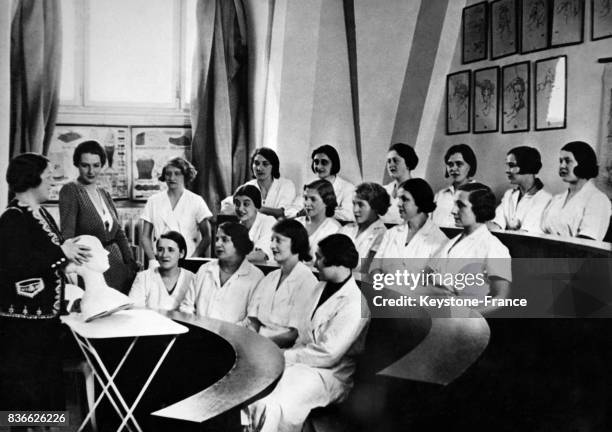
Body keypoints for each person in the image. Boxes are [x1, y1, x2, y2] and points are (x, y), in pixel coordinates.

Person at [247, 234, 370, 432]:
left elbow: (328, 355)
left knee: (275, 404)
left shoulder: (355, 303)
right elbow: (303, 334)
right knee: (255, 392)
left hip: (329, 374)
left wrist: (284, 356)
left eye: (320, 258)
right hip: (300, 363)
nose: (315, 263)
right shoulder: (319, 287)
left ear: (338, 263)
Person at [0, 153, 91, 410]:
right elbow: (16, 266)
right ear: (32, 179)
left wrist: (69, 263)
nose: (52, 180)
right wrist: (61, 253)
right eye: (48, 175)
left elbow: (46, 258)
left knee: (48, 392)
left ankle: (45, 427)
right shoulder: (12, 218)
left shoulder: (43, 215)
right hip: (23, 325)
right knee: (24, 396)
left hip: (47, 321)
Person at [60, 140, 137, 293]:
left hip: (118, 263)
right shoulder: (70, 191)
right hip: (93, 268)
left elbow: (118, 232)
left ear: (102, 165)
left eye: (96, 165)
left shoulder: (104, 193)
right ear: (77, 164)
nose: (91, 171)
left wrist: (130, 262)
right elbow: (67, 236)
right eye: (85, 165)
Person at [427, 183, 511, 315]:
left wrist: (470, 315)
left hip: (464, 322)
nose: (453, 211)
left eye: (460, 205)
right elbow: (429, 277)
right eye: (454, 204)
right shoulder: (450, 243)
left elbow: (500, 298)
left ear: (480, 209)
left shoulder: (493, 248)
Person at [245, 219, 319, 348]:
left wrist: (260, 345)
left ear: (295, 243)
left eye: (278, 240)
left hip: (284, 350)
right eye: (272, 240)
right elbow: (253, 320)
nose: (272, 246)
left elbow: (294, 334)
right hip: (257, 344)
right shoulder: (270, 278)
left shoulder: (307, 281)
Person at [179, 222, 263, 323]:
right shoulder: (204, 269)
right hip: (199, 334)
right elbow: (187, 306)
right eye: (217, 239)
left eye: (224, 240)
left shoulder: (256, 277)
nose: (217, 244)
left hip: (235, 337)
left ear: (239, 243)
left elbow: (251, 321)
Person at [141, 157, 212, 265]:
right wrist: (152, 260)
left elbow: (207, 236)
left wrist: (193, 259)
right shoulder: (153, 201)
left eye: (177, 173)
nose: (172, 177)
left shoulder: (196, 201)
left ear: (185, 175)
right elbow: (145, 236)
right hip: (161, 258)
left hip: (187, 256)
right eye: (168, 174)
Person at [373, 178, 448, 275]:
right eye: (399, 199)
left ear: (421, 201)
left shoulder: (439, 240)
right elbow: (375, 266)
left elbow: (432, 281)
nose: (399, 204)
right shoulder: (391, 233)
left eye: (405, 199)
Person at [541, 141, 612, 240]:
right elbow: (543, 231)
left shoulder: (598, 200)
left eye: (568, 161)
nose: (562, 166)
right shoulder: (556, 199)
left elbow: (588, 241)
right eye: (560, 161)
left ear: (583, 163)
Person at [220, 147, 297, 218]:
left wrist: (253, 208)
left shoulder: (286, 185)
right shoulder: (249, 186)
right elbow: (228, 205)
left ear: (273, 166)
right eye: (256, 163)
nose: (259, 168)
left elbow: (281, 213)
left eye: (265, 164)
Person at [490, 146, 552, 233]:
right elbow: (496, 225)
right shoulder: (509, 195)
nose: (507, 171)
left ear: (527, 166)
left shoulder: (544, 199)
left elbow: (525, 235)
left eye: (511, 165)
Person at [129, 231, 194, 311]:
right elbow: (135, 311)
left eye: (170, 250)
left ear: (181, 253)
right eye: (160, 250)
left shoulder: (192, 279)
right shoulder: (143, 277)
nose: (164, 255)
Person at [339, 182, 390, 272]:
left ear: (375, 206)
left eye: (361, 205)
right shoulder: (346, 229)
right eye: (354, 204)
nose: (355, 210)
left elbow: (366, 271)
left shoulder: (383, 235)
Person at [304, 145, 355, 222]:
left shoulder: (347, 188)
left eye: (324, 162)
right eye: (316, 162)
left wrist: (322, 210)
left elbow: (349, 215)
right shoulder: (310, 185)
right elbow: (297, 207)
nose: (319, 166)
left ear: (333, 164)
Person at [432, 144, 477, 227]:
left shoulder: (479, 194)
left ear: (470, 166)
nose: (453, 168)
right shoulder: (440, 195)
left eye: (459, 164)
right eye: (450, 164)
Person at [296, 179, 341, 261]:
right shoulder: (295, 223)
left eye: (313, 199)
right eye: (305, 198)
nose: (307, 203)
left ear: (326, 201)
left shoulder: (334, 229)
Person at [233, 185, 277, 263]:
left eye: (246, 204)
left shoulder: (269, 222)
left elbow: (261, 255)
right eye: (237, 203)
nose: (240, 208)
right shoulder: (235, 229)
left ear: (256, 206)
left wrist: (231, 259)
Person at [381, 143, 418, 224]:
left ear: (408, 163)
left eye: (395, 160)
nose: (391, 164)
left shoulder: (418, 190)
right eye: (389, 161)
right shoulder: (383, 190)